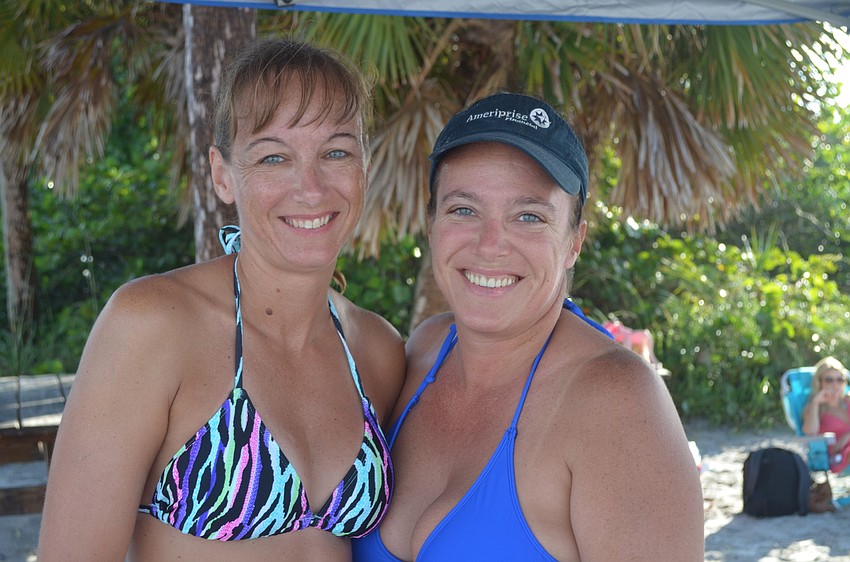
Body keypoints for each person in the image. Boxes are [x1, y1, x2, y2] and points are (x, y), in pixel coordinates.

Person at [38, 38, 405, 562]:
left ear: (365, 165)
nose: (311, 186)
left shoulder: (376, 349)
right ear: (222, 175)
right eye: (274, 156)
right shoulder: (152, 325)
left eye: (336, 151)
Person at [353, 92, 704, 561]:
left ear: (574, 242)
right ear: (432, 222)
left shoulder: (616, 401)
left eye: (529, 216)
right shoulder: (422, 350)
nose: (491, 244)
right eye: (464, 209)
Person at [802, 356, 850, 472]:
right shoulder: (814, 407)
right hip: (835, 456)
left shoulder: (848, 401)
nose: (835, 384)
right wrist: (815, 402)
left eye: (840, 379)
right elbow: (810, 433)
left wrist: (847, 436)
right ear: (819, 383)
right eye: (829, 380)